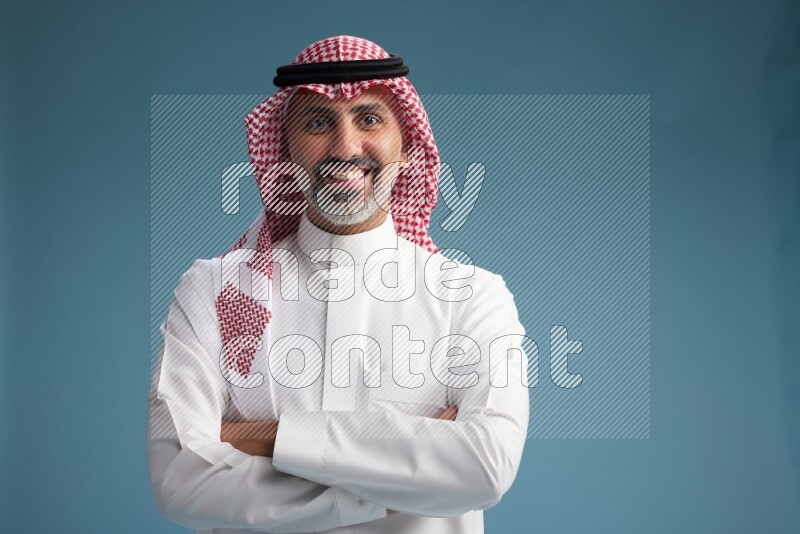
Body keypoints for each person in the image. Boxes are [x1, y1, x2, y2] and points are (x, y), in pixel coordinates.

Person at [147, 35, 529, 534]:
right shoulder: (212, 290)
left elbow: (485, 467)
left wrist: (264, 438)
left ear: (406, 147)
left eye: (369, 119)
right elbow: (180, 482)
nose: (346, 148)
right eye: (318, 122)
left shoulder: (472, 297)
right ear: (284, 152)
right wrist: (402, 485)